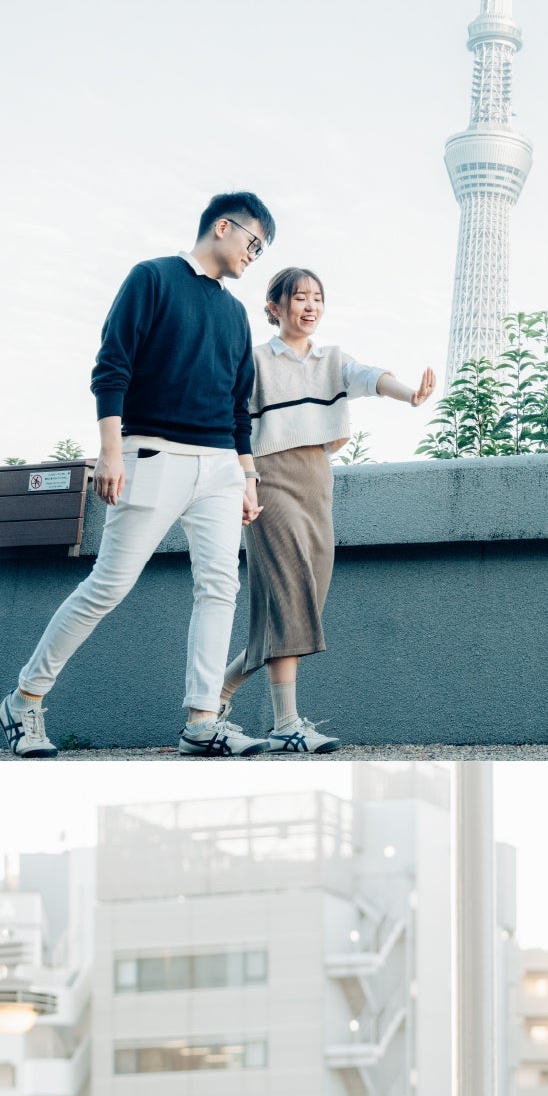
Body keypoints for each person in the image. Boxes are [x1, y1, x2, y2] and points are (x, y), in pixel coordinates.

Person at [0, 193, 279, 759]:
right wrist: (110, 452)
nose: (255, 255)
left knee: (219, 588)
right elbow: (112, 366)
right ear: (223, 227)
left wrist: (247, 476)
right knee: (108, 585)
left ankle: (202, 722)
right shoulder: (152, 277)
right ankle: (25, 698)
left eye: (262, 249)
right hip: (152, 455)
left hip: (220, 469)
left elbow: (237, 405)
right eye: (254, 242)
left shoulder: (234, 313)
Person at [220, 267, 436, 751]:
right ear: (275, 306)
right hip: (269, 477)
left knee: (302, 603)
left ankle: (217, 696)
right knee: (291, 598)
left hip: (317, 478)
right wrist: (243, 480)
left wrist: (410, 396)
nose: (310, 306)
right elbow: (231, 420)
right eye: (300, 297)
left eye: (317, 297)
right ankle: (286, 724)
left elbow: (369, 377)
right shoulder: (253, 360)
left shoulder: (332, 359)